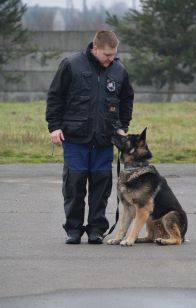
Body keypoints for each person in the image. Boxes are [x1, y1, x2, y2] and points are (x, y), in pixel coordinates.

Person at [46, 30, 134, 245]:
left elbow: (126, 100)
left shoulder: (119, 70)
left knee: (100, 189)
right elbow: (55, 97)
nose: (110, 59)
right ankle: (74, 230)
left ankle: (96, 229)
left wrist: (122, 127)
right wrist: (54, 127)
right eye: (107, 55)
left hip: (104, 141)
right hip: (75, 138)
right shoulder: (71, 64)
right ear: (95, 48)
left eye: (113, 54)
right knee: (74, 187)